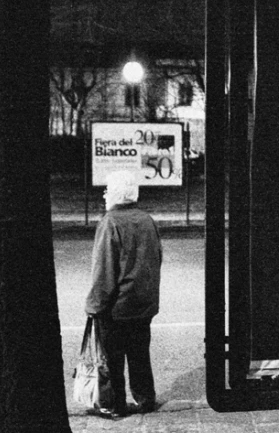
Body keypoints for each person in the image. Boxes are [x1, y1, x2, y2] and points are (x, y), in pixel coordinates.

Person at [85, 170, 163, 418]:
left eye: (107, 190)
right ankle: (145, 398)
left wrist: (94, 306)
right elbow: (157, 258)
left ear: (116, 194)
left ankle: (115, 405)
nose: (105, 195)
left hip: (117, 307)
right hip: (143, 304)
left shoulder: (110, 223)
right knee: (140, 354)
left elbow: (104, 271)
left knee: (113, 359)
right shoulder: (147, 220)